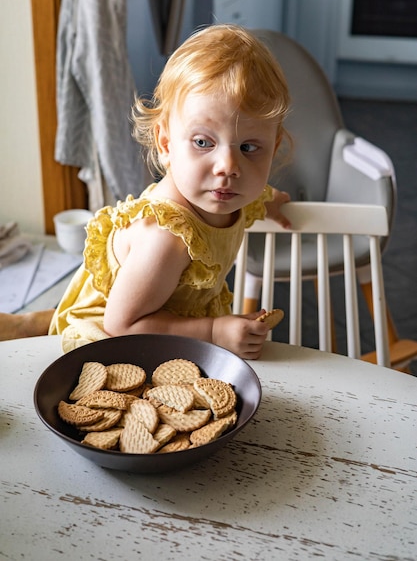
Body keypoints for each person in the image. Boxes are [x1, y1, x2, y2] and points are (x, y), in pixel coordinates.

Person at [0, 24, 291, 359]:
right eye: (202, 142)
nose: (228, 166)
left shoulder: (229, 192)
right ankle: (38, 326)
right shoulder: (167, 239)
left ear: (274, 147)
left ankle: (35, 322)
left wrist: (270, 201)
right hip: (117, 330)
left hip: (156, 309)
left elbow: (254, 197)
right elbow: (122, 325)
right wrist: (213, 331)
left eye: (249, 147)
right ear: (166, 144)